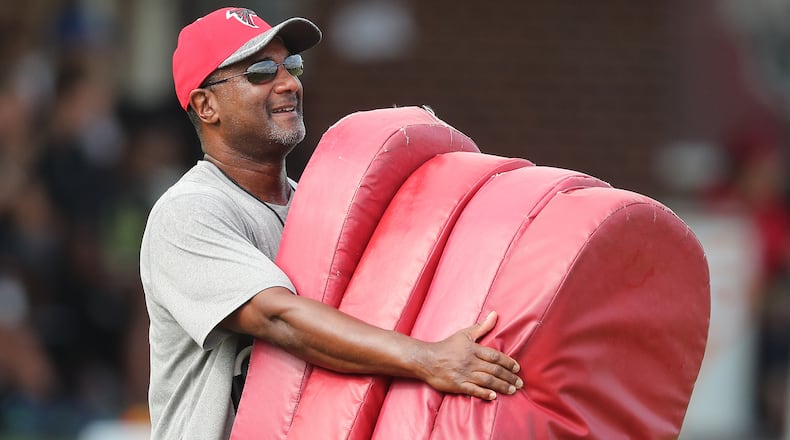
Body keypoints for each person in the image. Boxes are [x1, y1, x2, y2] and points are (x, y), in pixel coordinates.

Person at [139, 7, 523, 439]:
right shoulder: (190, 211)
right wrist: (429, 358)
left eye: (293, 66)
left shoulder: (317, 207)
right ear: (206, 106)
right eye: (261, 72)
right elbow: (278, 319)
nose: (288, 83)